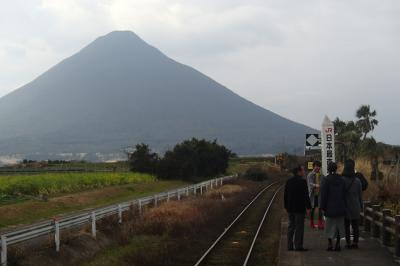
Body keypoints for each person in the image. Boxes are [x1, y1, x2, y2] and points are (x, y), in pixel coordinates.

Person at [284, 165, 311, 251]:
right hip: (299, 208)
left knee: (291, 226)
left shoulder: (288, 181)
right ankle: (298, 246)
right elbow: (306, 196)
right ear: (299, 172)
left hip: (290, 208)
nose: (304, 172)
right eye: (303, 170)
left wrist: (285, 206)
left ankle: (289, 246)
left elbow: (285, 195)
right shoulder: (302, 182)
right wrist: (308, 207)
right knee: (299, 227)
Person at [320, 162, 346, 251]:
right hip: (340, 207)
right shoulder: (341, 179)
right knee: (339, 226)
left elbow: (323, 195)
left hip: (329, 208)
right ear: (336, 169)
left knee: (329, 226)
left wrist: (322, 207)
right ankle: (338, 244)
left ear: (328, 169)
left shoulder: (326, 180)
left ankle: (330, 244)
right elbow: (344, 194)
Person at [342, 159, 363, 249]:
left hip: (345, 206)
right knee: (355, 226)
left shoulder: (342, 180)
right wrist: (361, 206)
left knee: (346, 226)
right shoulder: (358, 181)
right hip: (355, 206)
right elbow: (360, 196)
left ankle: (348, 243)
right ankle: (355, 242)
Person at [307, 161, 324, 229]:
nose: (318, 167)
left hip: (319, 194)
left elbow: (323, 183)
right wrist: (316, 185)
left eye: (319, 166)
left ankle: (320, 223)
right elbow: (310, 184)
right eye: (316, 166)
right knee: (312, 209)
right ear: (313, 166)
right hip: (313, 195)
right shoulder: (310, 175)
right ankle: (312, 223)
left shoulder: (321, 175)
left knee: (320, 209)